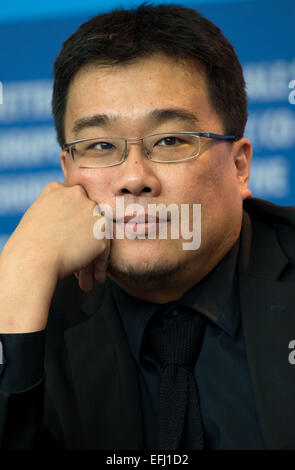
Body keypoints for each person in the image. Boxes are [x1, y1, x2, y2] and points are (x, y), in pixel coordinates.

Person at [0, 3, 295, 451]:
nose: (135, 178)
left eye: (170, 140)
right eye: (100, 145)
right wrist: (18, 272)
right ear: (67, 173)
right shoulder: (33, 307)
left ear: (239, 167)